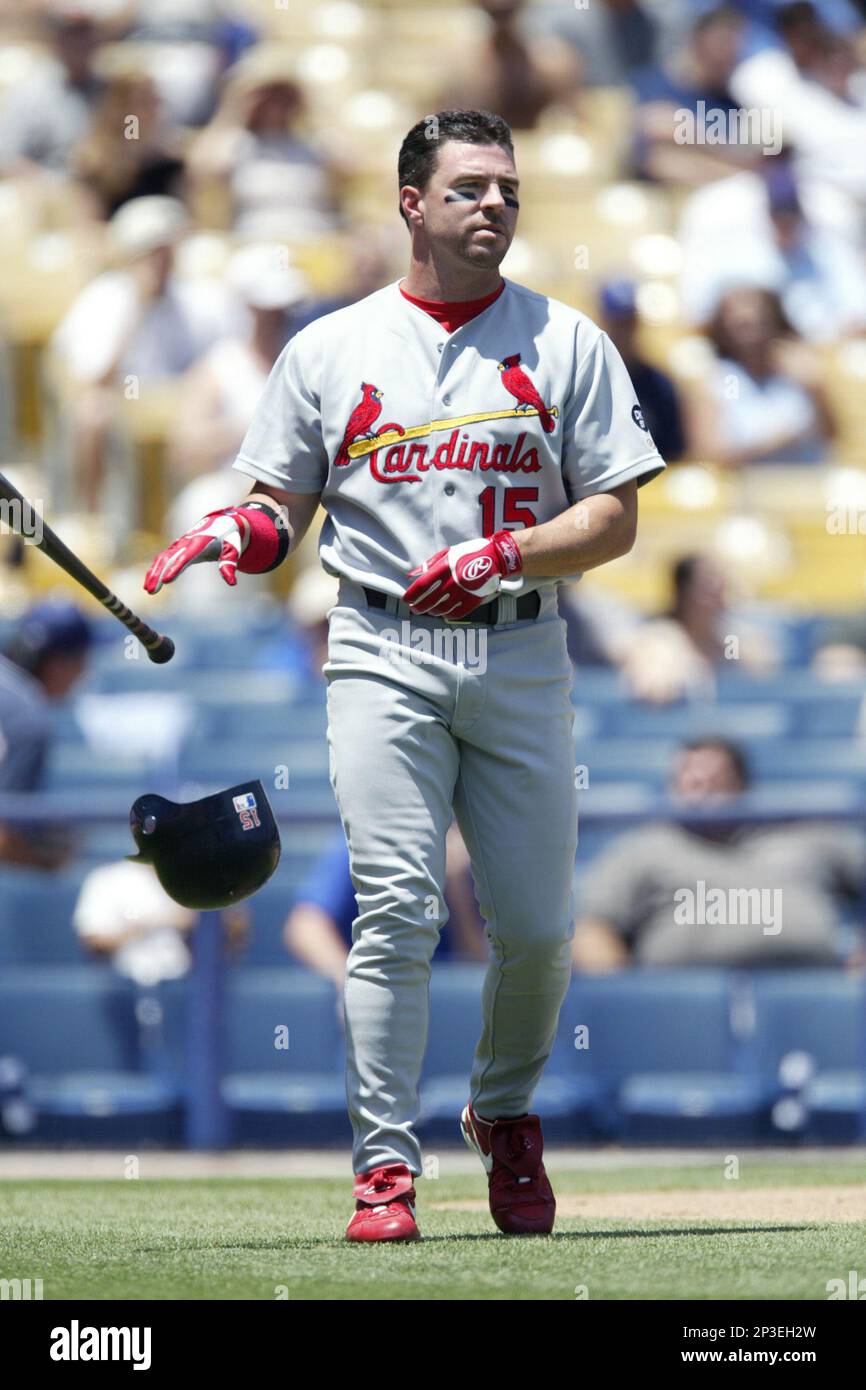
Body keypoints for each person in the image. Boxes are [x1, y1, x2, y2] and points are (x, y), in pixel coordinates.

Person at [142, 108, 665, 1242]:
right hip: (379, 645)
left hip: (519, 645)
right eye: (470, 186)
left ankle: (503, 1109)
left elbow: (615, 518)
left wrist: (508, 550)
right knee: (395, 907)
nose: (494, 205)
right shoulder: (327, 348)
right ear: (410, 202)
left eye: (507, 189)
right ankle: (384, 1166)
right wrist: (240, 536)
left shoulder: (564, 340)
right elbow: (279, 509)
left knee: (532, 926)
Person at [572, 737, 866, 971]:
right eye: (689, 778)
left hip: (811, 996)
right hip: (679, 1011)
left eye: (716, 777)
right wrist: (620, 1004)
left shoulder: (809, 835)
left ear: (743, 786)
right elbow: (594, 927)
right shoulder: (643, 848)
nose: (701, 788)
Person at [284, 821, 489, 997]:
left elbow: (476, 974)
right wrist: (353, 985)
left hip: (444, 1018)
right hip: (365, 1017)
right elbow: (304, 927)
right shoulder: (366, 836)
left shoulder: (474, 857)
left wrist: (456, 891)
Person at [685, 285, 836, 467]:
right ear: (723, 331)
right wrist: (773, 442)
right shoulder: (721, 380)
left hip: (807, 482)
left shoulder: (802, 371)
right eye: (741, 326)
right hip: (747, 486)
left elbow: (832, 436)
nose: (751, 336)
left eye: (761, 323)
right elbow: (709, 455)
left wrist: (815, 389)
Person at [0, 599, 93, 869]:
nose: (84, 671)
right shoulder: (27, 716)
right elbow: (2, 835)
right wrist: (46, 859)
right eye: (81, 660)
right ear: (59, 663)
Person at [621, 552, 775, 704]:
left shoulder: (730, 638)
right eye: (708, 583)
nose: (718, 592)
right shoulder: (660, 637)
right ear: (683, 592)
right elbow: (652, 687)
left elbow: (758, 674)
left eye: (722, 583)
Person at [598, 279, 685, 463]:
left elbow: (674, 450)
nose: (623, 331)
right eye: (617, 323)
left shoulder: (658, 383)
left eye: (628, 323)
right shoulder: (588, 378)